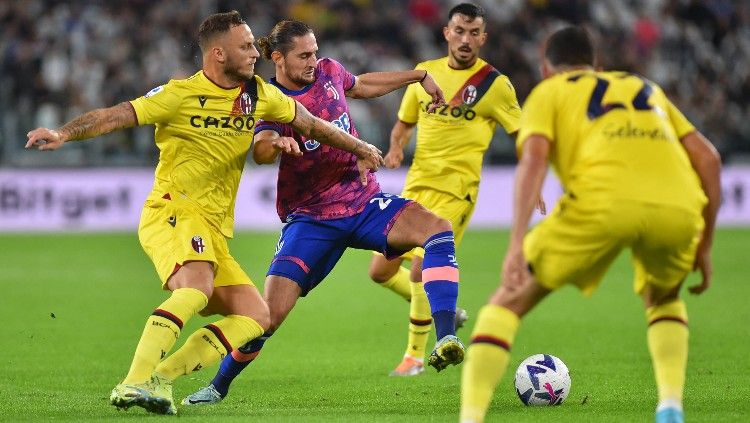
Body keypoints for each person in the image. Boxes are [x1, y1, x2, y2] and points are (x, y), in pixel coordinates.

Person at [25, 11, 383, 416]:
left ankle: (162, 379)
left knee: (255, 315)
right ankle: (133, 381)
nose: (255, 52)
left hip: (213, 227)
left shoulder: (259, 95)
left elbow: (314, 124)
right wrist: (63, 133)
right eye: (246, 46)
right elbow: (114, 116)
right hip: (173, 208)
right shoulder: (179, 94)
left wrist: (360, 147)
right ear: (218, 53)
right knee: (195, 287)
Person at [181, 19, 466, 406]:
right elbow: (261, 149)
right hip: (311, 219)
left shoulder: (330, 71)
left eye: (315, 51)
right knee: (267, 316)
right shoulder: (270, 98)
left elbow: (362, 85)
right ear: (278, 58)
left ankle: (447, 334)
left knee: (437, 229)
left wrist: (419, 75)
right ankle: (217, 386)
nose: (313, 60)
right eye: (304, 55)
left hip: (363, 202)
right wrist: (277, 142)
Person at [459, 26, 721, 423]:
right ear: (597, 66)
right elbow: (709, 160)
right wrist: (703, 244)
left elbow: (533, 161)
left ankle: (471, 417)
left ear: (547, 68)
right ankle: (670, 406)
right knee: (664, 298)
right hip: (678, 206)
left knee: (506, 303)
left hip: (602, 203)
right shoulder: (644, 86)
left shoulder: (549, 92)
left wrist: (516, 242)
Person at [368, 3, 526, 377]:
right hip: (417, 187)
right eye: (459, 31)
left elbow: (523, 135)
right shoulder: (426, 75)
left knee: (421, 267)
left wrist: (531, 176)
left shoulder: (494, 84)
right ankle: (446, 308)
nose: (466, 39)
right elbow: (404, 123)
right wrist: (394, 149)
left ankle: (414, 357)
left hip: (458, 192)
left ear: (483, 38)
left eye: (474, 33)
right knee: (378, 271)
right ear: (446, 33)